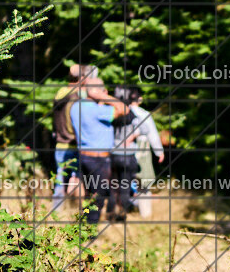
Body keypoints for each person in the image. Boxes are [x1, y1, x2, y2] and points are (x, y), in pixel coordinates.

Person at [68, 77, 130, 224]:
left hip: (83, 156)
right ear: (97, 91)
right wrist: (103, 96)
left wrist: (97, 96)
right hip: (98, 159)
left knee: (88, 194)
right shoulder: (97, 111)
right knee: (98, 196)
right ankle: (89, 231)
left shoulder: (76, 107)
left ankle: (81, 226)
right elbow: (124, 109)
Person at [108, 85, 165, 222]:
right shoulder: (142, 114)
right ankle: (144, 214)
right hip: (137, 153)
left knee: (116, 184)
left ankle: (114, 212)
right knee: (142, 184)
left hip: (114, 153)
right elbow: (151, 133)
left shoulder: (113, 111)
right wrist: (159, 151)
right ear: (138, 98)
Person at [50, 64, 99, 212]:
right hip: (75, 145)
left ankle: (56, 213)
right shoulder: (78, 97)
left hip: (60, 145)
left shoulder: (60, 93)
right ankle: (79, 213)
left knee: (60, 181)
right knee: (79, 181)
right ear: (82, 79)